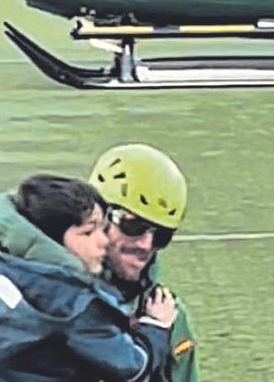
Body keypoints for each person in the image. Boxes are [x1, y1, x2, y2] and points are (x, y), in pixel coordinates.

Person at [0, 174, 178, 382]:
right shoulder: (74, 306)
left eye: (103, 227)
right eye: (88, 233)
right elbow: (131, 367)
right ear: (54, 241)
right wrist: (155, 327)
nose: (103, 241)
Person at [88, 144, 200, 382]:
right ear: (98, 217)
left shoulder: (171, 315)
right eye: (133, 226)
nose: (145, 245)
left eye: (161, 236)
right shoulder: (56, 305)